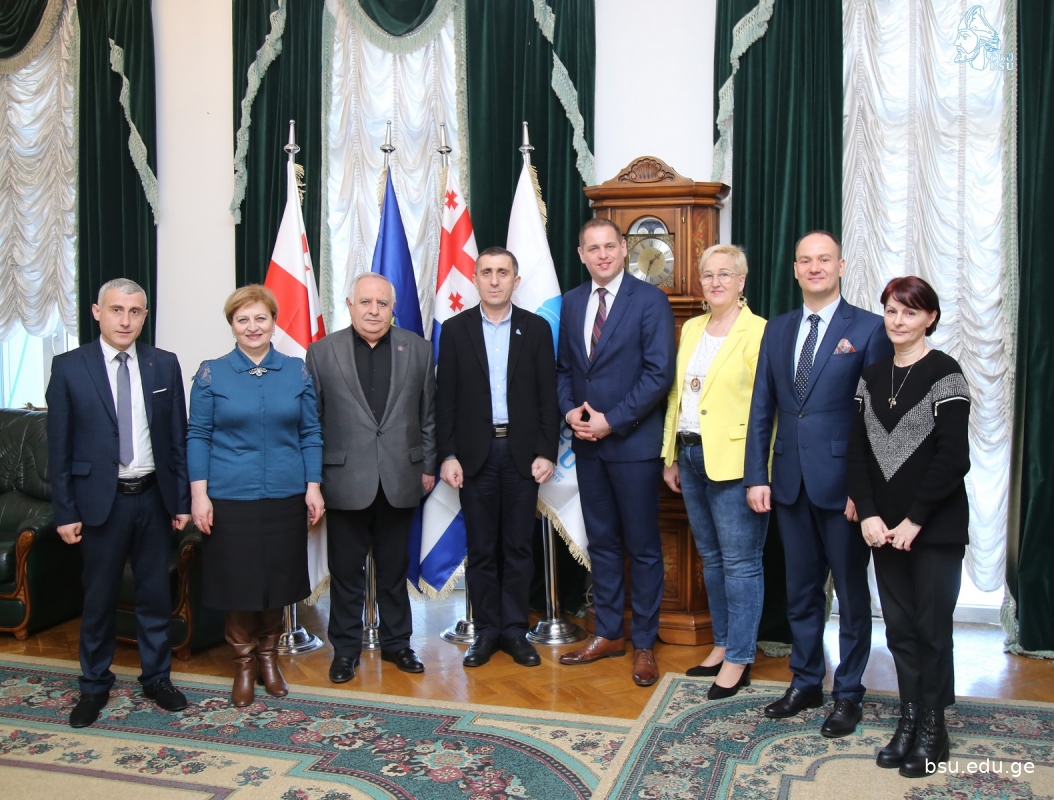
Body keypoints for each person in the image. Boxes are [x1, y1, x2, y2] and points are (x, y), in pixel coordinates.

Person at [744, 231, 893, 737]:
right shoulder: (778, 329)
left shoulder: (868, 329)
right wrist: (757, 475)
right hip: (788, 483)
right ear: (795, 269)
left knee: (850, 595)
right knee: (801, 591)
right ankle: (806, 681)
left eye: (824, 259)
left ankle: (848, 692)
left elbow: (876, 419)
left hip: (844, 488)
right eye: (805, 260)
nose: (815, 267)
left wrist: (863, 491)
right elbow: (762, 408)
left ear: (841, 266)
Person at [46, 279, 191, 728]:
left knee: (154, 595)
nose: (125, 320)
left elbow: (177, 439)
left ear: (144, 316)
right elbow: (59, 448)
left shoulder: (163, 364)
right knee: (99, 599)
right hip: (99, 503)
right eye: (116, 310)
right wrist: (65, 511)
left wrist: (181, 501)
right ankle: (93, 686)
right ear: (97, 312)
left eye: (134, 311)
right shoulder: (69, 367)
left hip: (153, 499)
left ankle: (157, 679)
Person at [848, 276, 970, 778]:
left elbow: (953, 458)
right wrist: (869, 513)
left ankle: (934, 727)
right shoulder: (872, 375)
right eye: (891, 311)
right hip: (883, 529)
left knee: (931, 629)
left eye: (910, 312)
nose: (898, 321)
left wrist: (915, 519)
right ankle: (910, 718)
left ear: (930, 318)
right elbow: (857, 453)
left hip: (934, 528)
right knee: (899, 630)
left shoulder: (946, 373)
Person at [186, 285, 324, 707]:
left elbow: (310, 432)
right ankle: (244, 664)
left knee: (276, 582)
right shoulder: (212, 373)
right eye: (242, 319)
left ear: (274, 322)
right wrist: (199, 496)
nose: (252, 327)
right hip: (229, 498)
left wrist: (313, 486)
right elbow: (198, 435)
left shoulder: (297, 371)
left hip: (285, 495)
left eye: (260, 318)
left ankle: (269, 658)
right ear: (232, 325)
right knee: (239, 584)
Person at [556, 218, 675, 687]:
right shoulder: (571, 302)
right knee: (601, 544)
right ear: (581, 255)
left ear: (624, 249)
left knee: (642, 548)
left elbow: (658, 374)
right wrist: (570, 411)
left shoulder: (649, 300)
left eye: (610, 246)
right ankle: (608, 633)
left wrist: (612, 420)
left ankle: (643, 643)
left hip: (633, 445)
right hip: (587, 447)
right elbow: (564, 369)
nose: (602, 254)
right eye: (593, 248)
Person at [306, 272, 435, 683]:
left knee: (395, 571)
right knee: (346, 574)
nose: (374, 310)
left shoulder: (418, 349)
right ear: (349, 305)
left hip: (401, 478)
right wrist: (314, 481)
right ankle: (345, 651)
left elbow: (429, 416)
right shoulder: (322, 353)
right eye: (365, 302)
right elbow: (313, 422)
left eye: (382, 303)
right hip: (343, 481)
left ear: (393, 307)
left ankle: (399, 644)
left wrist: (428, 466)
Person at [436, 247, 560, 669]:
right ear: (475, 279)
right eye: (486, 272)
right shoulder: (455, 330)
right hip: (475, 456)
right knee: (482, 549)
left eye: (502, 272)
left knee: (518, 547)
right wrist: (448, 454)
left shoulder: (536, 328)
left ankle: (514, 631)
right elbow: (445, 400)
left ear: (515, 280)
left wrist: (547, 451)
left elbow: (548, 397)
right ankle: (487, 631)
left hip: (522, 455)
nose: (494, 280)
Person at [661, 244, 768, 700]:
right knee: (712, 558)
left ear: (741, 281)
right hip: (689, 456)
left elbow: (765, 409)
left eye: (726, 273)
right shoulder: (692, 328)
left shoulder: (759, 331)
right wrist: (669, 454)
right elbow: (677, 395)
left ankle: (740, 657)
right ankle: (722, 644)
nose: (716, 281)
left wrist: (759, 471)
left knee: (741, 564)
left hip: (735, 463)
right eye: (708, 274)